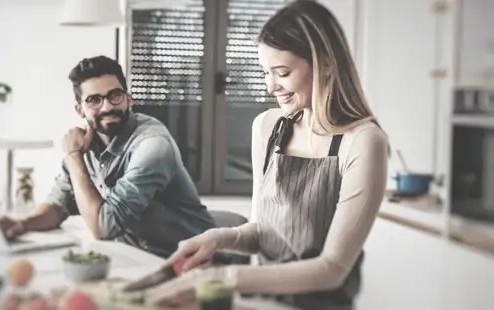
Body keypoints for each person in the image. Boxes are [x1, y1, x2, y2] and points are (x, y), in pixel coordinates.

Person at [147, 1, 389, 309]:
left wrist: (223, 277)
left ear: (326, 63)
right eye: (265, 72)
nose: (270, 86)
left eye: (283, 72)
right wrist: (218, 239)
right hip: (260, 302)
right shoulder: (268, 126)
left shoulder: (363, 141)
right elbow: (262, 231)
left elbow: (332, 269)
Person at [0, 55, 217, 258]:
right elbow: (57, 205)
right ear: (80, 110)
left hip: (193, 260)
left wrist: (73, 157)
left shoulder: (153, 147)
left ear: (128, 99)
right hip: (137, 254)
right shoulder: (85, 142)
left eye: (115, 95)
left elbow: (103, 227)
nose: (107, 107)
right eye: (94, 100)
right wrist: (22, 224)